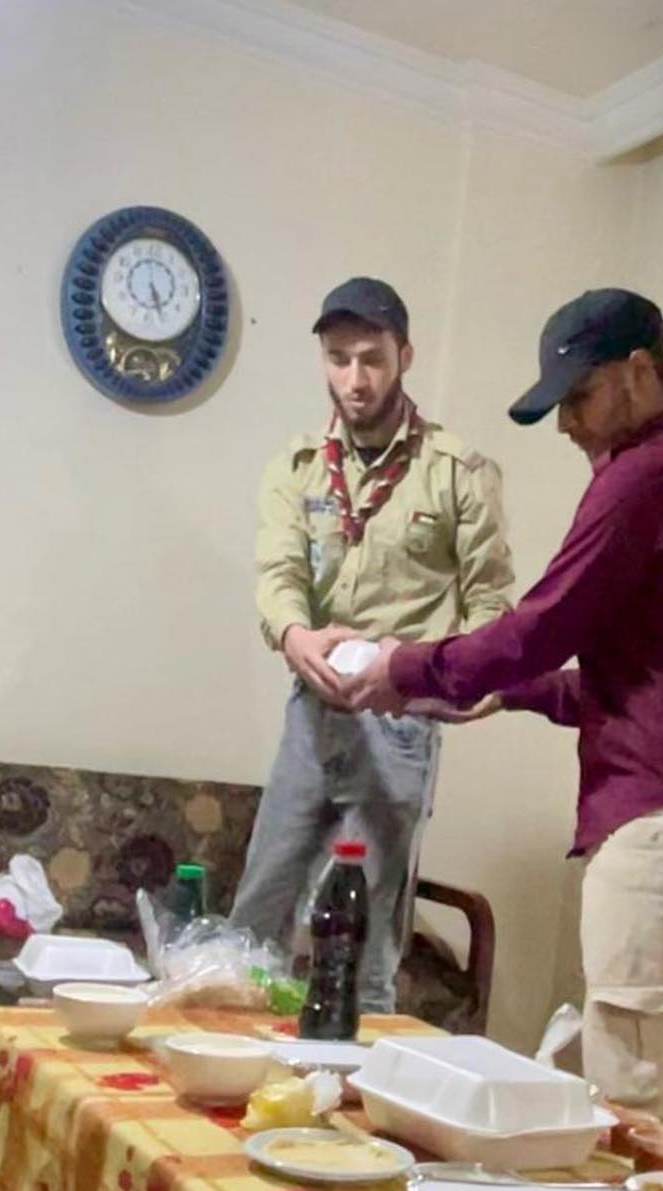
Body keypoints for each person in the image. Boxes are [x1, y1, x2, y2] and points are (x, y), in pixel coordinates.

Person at [344, 288, 663, 1131]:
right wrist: (508, 691)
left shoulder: (650, 476)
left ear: (641, 372)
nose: (567, 424)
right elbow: (653, 678)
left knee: (638, 1108)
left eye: (579, 397)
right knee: (599, 1083)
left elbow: (543, 626)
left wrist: (403, 667)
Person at [232, 277, 515, 1012]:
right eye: (338, 359)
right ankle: (233, 1066)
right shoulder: (296, 468)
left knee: (360, 944)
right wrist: (293, 634)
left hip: (399, 721)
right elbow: (278, 576)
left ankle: (354, 1078)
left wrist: (461, 684)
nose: (354, 380)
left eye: (372, 359)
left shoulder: (457, 472)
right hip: (312, 711)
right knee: (255, 921)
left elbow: (490, 606)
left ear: (404, 357)